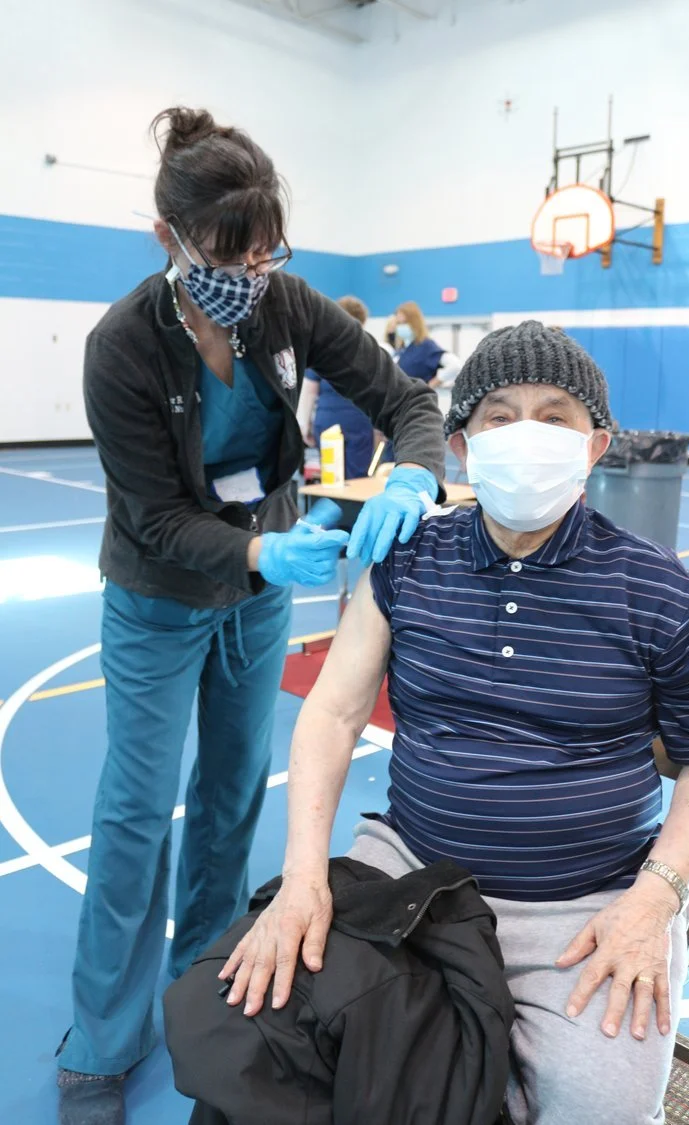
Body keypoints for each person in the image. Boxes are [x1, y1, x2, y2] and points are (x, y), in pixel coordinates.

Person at [220, 322, 689, 1125]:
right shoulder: (407, 562)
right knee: (269, 1031)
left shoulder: (660, 592)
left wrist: (656, 900)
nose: (526, 434)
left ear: (596, 444)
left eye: (555, 414)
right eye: (500, 415)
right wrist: (303, 878)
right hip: (410, 875)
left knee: (599, 1103)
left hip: (585, 901)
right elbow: (330, 711)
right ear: (462, 447)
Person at [57, 106, 446, 1125]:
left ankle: (199, 985)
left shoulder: (285, 307)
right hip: (159, 596)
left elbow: (405, 398)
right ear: (170, 243)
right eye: (230, 256)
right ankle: (100, 1038)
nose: (251, 275)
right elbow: (152, 516)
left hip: (259, 598)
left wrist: (411, 470)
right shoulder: (121, 348)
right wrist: (256, 548)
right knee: (135, 817)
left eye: (268, 253)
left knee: (232, 796)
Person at [296, 296, 376, 480]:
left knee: (331, 477)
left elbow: (309, 391)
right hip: (358, 420)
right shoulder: (369, 350)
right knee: (357, 478)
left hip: (328, 421)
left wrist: (303, 425)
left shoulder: (322, 351)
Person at [393, 300, 461, 388]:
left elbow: (455, 365)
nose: (401, 327)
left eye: (405, 322)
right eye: (399, 323)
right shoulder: (401, 350)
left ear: (415, 323)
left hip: (418, 399)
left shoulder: (426, 346)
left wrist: (432, 384)